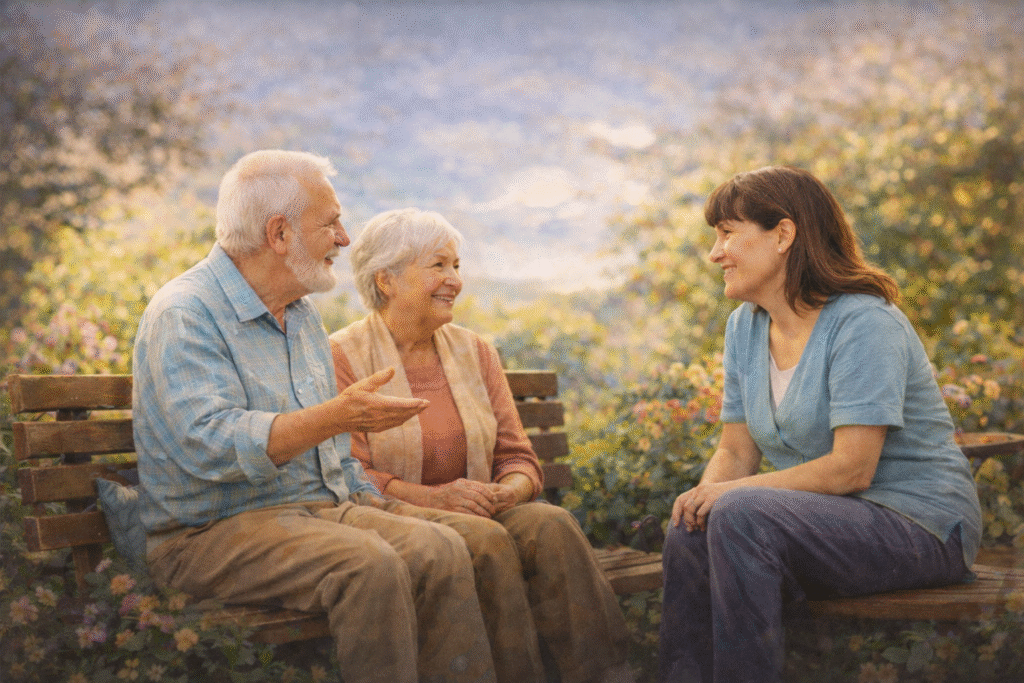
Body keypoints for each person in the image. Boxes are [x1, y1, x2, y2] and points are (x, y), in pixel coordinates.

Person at [132, 150, 499, 683]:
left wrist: (384, 503)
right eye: (330, 224)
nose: (345, 239)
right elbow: (208, 445)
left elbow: (331, 462)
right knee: (369, 567)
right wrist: (336, 417)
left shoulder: (301, 315)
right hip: (206, 535)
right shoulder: (184, 313)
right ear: (279, 234)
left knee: (441, 546)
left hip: (311, 512)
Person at [658, 166, 982, 683]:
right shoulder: (745, 326)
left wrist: (730, 498)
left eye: (726, 234)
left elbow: (852, 469)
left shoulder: (864, 322)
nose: (715, 254)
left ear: (783, 234)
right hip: (825, 525)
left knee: (738, 511)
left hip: (920, 527)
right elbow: (736, 451)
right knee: (689, 530)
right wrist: (704, 499)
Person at [329, 208, 634, 683]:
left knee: (551, 523)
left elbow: (516, 456)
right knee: (486, 542)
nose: (454, 280)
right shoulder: (342, 355)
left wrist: (509, 491)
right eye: (438, 266)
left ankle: (609, 676)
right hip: (397, 517)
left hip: (479, 506)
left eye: (456, 266)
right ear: (386, 280)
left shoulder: (475, 350)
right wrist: (435, 498)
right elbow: (350, 473)